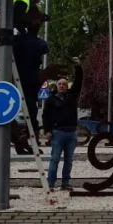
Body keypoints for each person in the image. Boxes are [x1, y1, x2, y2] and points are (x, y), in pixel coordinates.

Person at [42, 59, 83, 192]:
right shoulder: (51, 100)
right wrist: (47, 131)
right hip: (57, 132)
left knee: (68, 160)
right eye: (59, 84)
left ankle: (65, 183)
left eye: (64, 84)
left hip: (71, 132)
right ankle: (51, 183)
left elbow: (79, 82)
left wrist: (78, 67)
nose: (61, 86)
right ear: (56, 86)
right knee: (54, 159)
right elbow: (45, 116)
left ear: (67, 86)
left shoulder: (72, 96)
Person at [12, 20, 48, 151]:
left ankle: (23, 139)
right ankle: (32, 141)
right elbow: (44, 48)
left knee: (14, 110)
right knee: (32, 113)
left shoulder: (18, 41)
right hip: (32, 79)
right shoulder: (41, 43)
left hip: (18, 78)